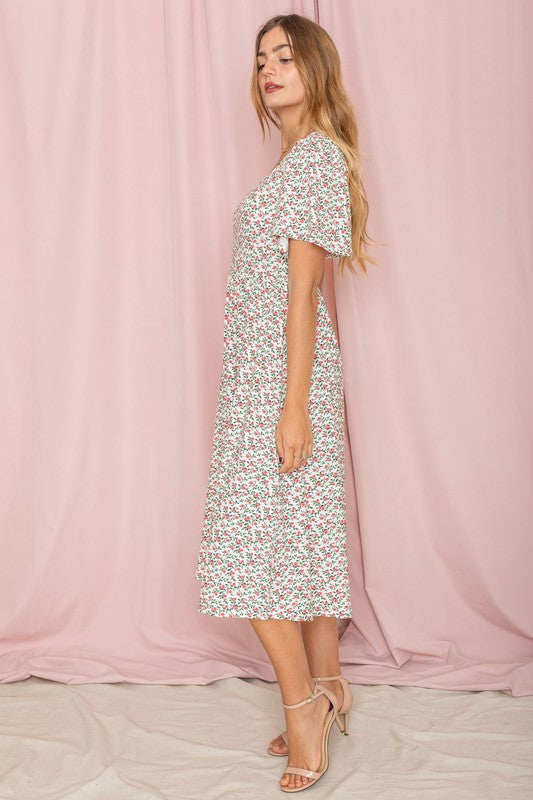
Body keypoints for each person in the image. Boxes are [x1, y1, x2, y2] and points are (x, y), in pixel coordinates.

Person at [194, 12, 377, 793]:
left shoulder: (313, 166)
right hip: (260, 378)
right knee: (296, 544)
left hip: (281, 379)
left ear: (316, 70)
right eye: (262, 58)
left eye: (286, 57)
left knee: (247, 549)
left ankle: (303, 708)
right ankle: (331, 686)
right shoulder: (300, 161)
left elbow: (305, 296)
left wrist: (292, 404)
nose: (270, 70)